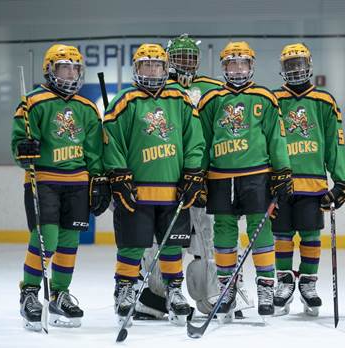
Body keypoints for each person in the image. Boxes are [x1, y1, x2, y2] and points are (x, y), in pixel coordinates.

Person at [102, 43, 205, 326]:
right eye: (146, 65)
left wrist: (193, 172)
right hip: (137, 191)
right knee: (133, 244)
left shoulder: (180, 99)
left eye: (157, 65)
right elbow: (112, 141)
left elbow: (194, 140)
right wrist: (118, 174)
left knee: (173, 244)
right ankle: (124, 288)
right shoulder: (125, 100)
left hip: (173, 190)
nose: (152, 70)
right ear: (136, 68)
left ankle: (173, 289)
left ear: (165, 68)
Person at [12, 44, 110, 331]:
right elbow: (19, 143)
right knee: (47, 240)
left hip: (77, 184)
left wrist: (99, 179)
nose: (70, 72)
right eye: (64, 67)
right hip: (44, 182)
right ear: (50, 69)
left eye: (75, 67)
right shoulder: (33, 102)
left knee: (69, 243)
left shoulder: (87, 107)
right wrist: (24, 149)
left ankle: (59, 293)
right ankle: (29, 292)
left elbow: (93, 150)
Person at [197, 41, 293, 321]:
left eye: (242, 63)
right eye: (231, 63)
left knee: (260, 228)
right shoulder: (211, 100)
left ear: (251, 66)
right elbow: (202, 140)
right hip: (220, 176)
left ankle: (265, 286)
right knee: (224, 230)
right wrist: (196, 174)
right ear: (224, 67)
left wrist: (282, 170)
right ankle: (227, 287)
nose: (237, 69)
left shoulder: (265, 97)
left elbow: (277, 137)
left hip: (256, 174)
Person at [272, 43, 345, 316]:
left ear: (308, 65)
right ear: (282, 69)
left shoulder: (324, 101)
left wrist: (341, 180)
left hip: (312, 184)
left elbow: (335, 143)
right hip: (282, 183)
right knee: (282, 235)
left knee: (309, 235)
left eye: (299, 64)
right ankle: (284, 282)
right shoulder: (273, 100)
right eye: (289, 65)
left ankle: (308, 282)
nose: (295, 70)